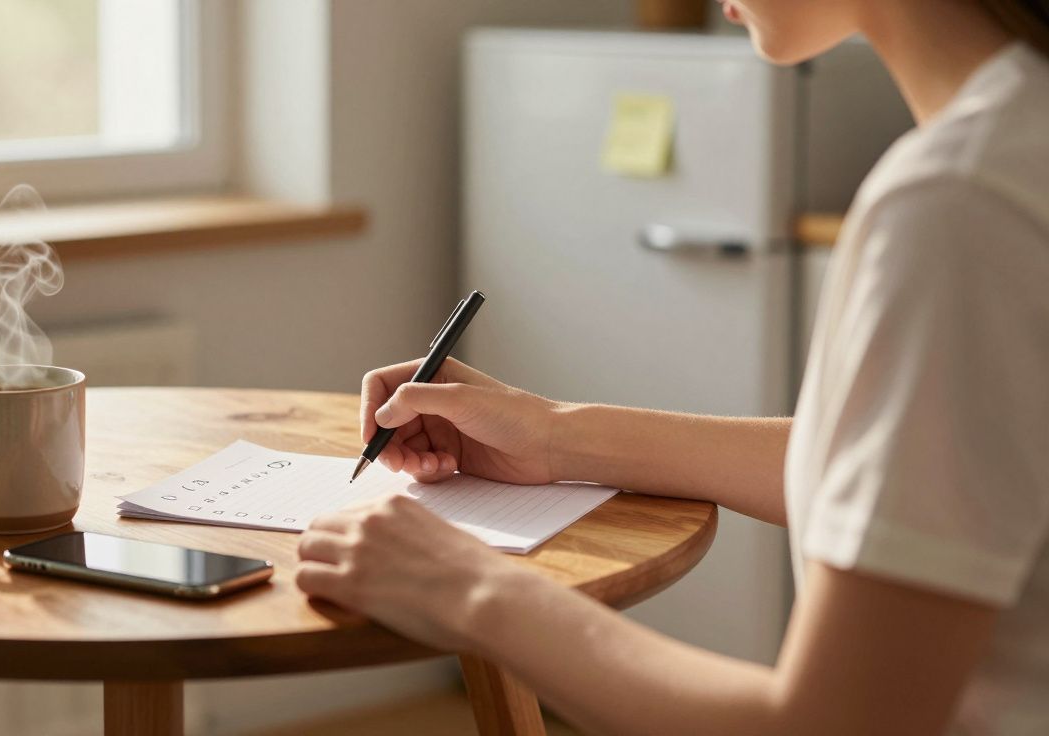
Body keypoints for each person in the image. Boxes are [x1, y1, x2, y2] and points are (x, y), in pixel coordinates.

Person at [295, 0, 1049, 733]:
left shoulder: (961, 202)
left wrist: (469, 588)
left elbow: (830, 723)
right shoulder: (1015, 142)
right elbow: (916, 476)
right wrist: (554, 435)